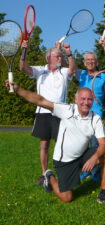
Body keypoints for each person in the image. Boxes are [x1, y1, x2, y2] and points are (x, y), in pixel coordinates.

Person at [7, 81, 105, 204]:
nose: (86, 102)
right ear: (76, 99)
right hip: (64, 161)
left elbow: (103, 144)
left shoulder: (95, 119)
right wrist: (18, 89)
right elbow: (40, 100)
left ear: (93, 100)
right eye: (83, 99)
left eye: (89, 99)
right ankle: (49, 176)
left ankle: (104, 194)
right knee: (67, 198)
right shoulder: (66, 109)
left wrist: (94, 157)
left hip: (82, 156)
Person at [19, 40, 76, 185]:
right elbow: (22, 67)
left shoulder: (63, 71)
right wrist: (24, 51)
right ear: (49, 58)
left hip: (60, 112)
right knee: (44, 144)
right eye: (57, 56)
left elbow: (72, 69)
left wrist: (68, 53)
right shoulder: (40, 70)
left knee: (60, 144)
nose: (59, 58)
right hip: (43, 112)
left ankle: (60, 173)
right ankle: (44, 174)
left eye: (60, 56)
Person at [76, 52, 105, 181]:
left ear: (97, 62)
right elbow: (66, 66)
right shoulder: (81, 74)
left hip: (95, 116)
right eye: (87, 60)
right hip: (80, 116)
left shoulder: (103, 77)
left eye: (93, 60)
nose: (90, 62)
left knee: (96, 146)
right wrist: (66, 53)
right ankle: (84, 170)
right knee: (81, 146)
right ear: (84, 62)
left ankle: (96, 171)